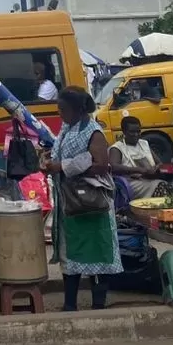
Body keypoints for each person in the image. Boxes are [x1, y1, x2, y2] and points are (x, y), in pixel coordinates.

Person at [44, 87, 121, 311]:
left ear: (77, 109)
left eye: (63, 108)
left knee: (97, 250)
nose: (59, 112)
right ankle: (70, 305)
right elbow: (64, 156)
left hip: (91, 203)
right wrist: (49, 163)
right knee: (70, 253)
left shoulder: (94, 131)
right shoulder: (67, 128)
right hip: (69, 202)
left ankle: (98, 305)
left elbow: (99, 165)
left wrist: (62, 166)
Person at [108, 117, 162, 200]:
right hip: (133, 182)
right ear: (124, 131)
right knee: (161, 185)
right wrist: (139, 170)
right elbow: (114, 166)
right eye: (132, 132)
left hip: (151, 177)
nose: (136, 134)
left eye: (138, 131)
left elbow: (159, 163)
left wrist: (157, 168)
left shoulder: (144, 143)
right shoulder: (117, 148)